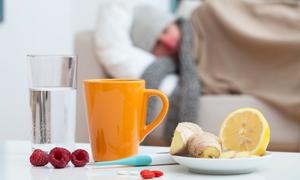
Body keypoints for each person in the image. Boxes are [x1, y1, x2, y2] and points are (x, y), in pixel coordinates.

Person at [130, 5, 200, 145]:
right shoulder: (165, 66)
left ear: (174, 22)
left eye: (166, 30)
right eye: (158, 44)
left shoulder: (200, 20)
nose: (167, 42)